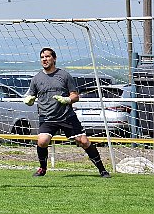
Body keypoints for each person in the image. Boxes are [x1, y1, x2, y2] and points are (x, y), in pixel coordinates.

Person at [23, 47, 111, 178]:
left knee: (83, 141)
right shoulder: (36, 78)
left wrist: (67, 100)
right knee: (42, 141)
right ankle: (42, 168)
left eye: (47, 56)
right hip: (47, 117)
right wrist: (29, 100)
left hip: (66, 116)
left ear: (54, 58)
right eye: (42, 57)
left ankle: (102, 170)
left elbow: (75, 96)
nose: (44, 59)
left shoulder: (64, 75)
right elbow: (30, 95)